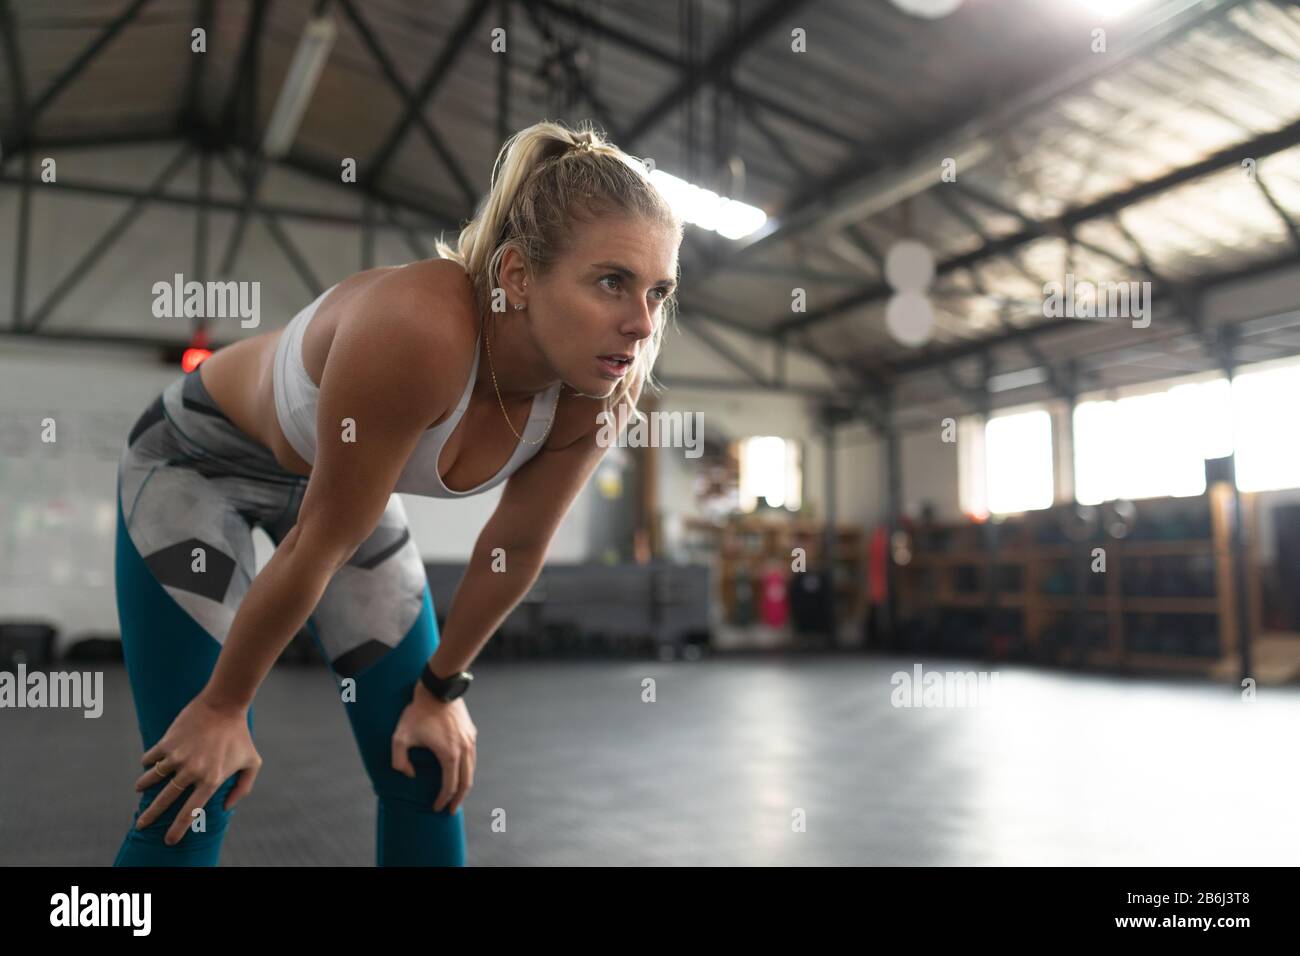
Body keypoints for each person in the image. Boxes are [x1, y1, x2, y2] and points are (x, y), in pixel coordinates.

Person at [112, 120, 684, 866]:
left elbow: (514, 547)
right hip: (196, 464)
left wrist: (442, 690)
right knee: (192, 787)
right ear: (516, 276)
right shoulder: (421, 325)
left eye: (658, 291)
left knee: (427, 765)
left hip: (341, 498)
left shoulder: (602, 390)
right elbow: (324, 538)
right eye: (612, 281)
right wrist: (224, 707)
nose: (641, 324)